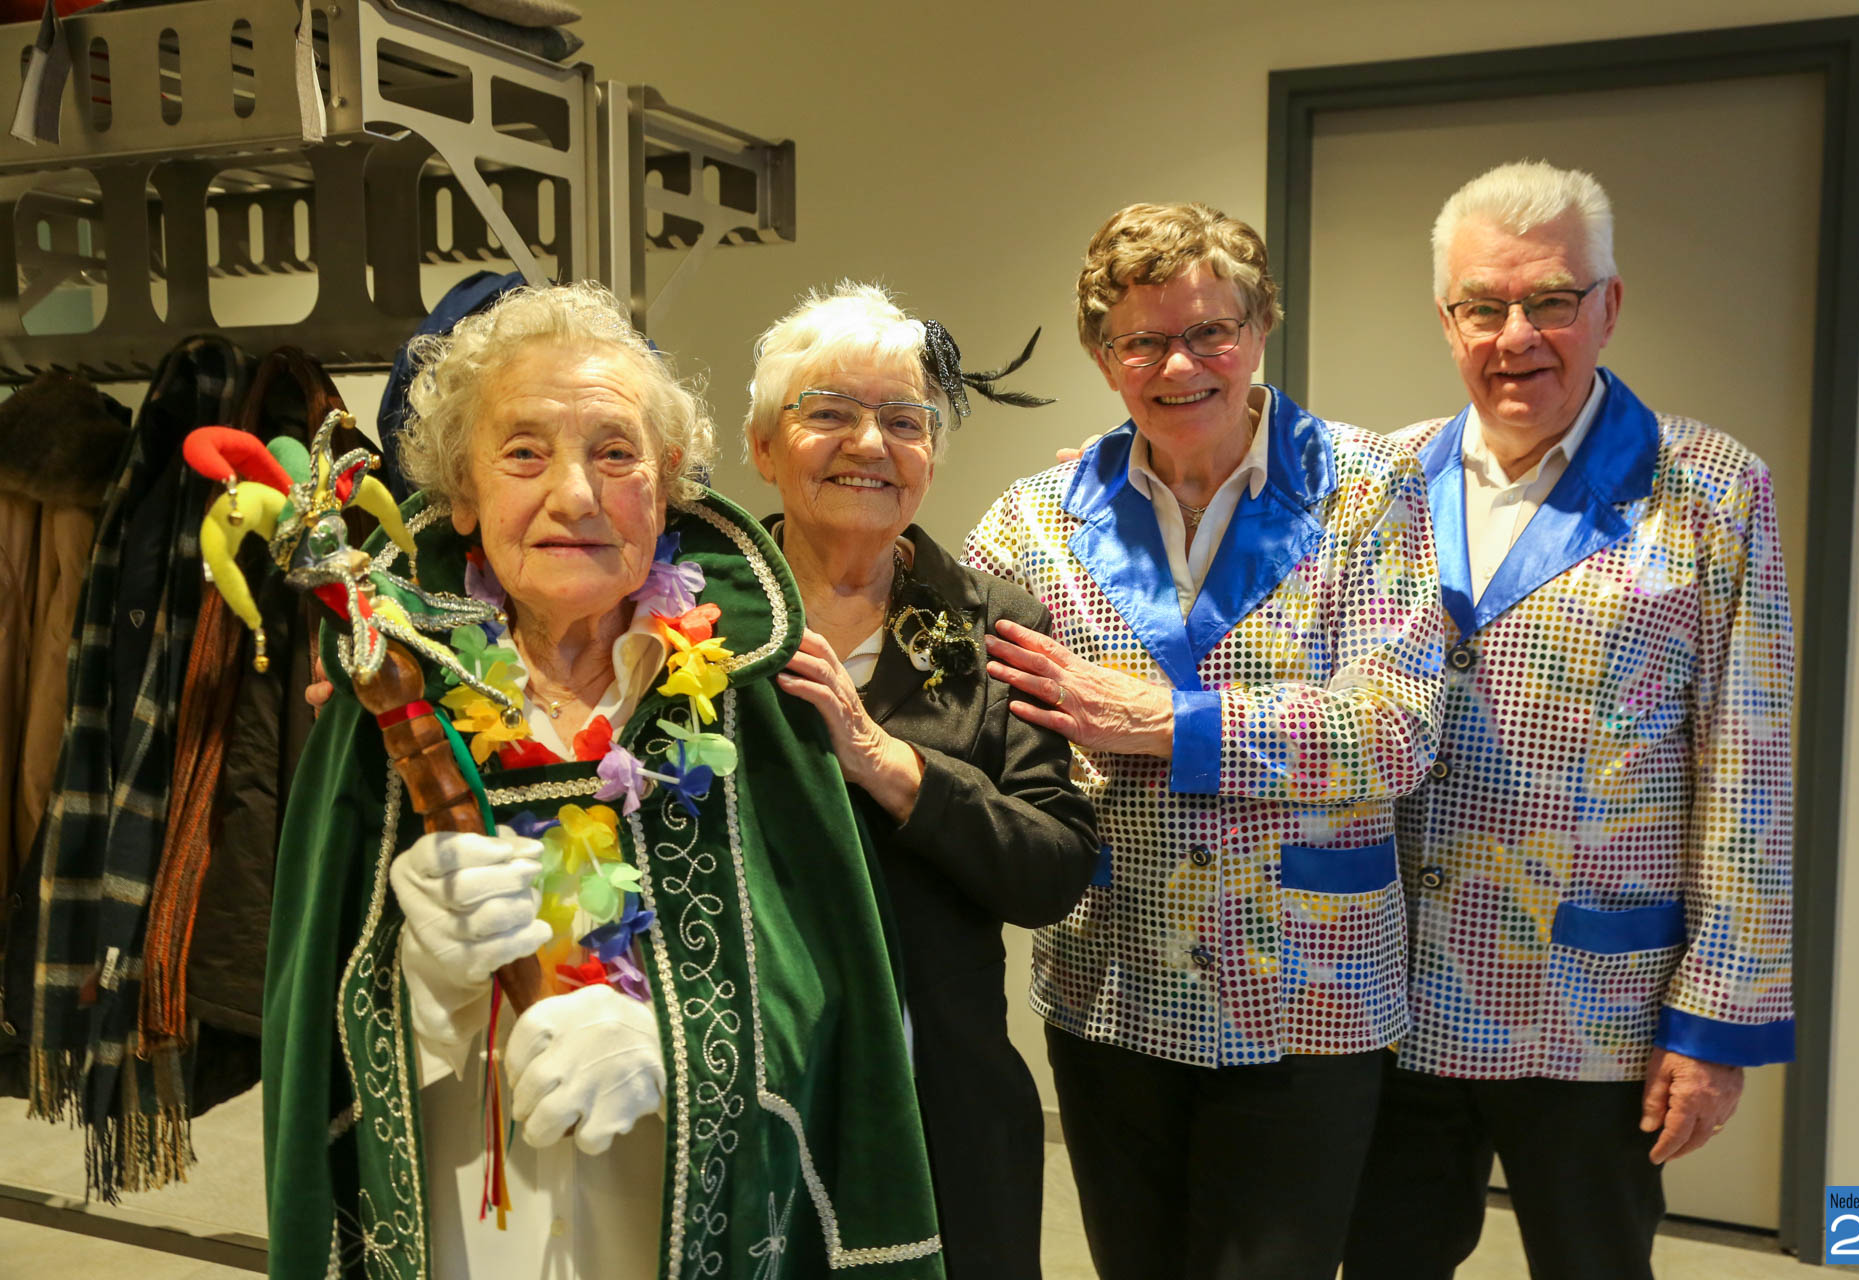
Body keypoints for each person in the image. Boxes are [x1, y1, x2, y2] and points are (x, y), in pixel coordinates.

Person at [261, 282, 946, 1280]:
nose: (576, 495)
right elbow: (309, 1017)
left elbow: (843, 1006)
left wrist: (675, 1048)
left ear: (667, 489)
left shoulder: (756, 704)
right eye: (523, 453)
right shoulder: (385, 705)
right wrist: (423, 984)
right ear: (463, 494)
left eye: (617, 453)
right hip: (465, 1224)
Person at [965, 202, 1446, 1280]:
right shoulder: (1031, 520)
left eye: (1209, 332)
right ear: (1103, 357)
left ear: (1261, 326)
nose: (1180, 365)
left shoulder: (1373, 489)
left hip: (1308, 991)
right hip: (1110, 982)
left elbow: (1398, 728)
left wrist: (1160, 723)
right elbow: (966, 711)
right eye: (1142, 341)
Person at [1341, 161, 1796, 1280]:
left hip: (1594, 1004)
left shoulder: (1710, 489)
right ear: (1446, 317)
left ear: (1608, 304)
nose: (1517, 337)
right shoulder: (1380, 479)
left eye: (1550, 299)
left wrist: (1715, 1022)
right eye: (1482, 306)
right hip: (1394, 988)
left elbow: (1750, 765)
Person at [743, 282, 1098, 1280]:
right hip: (745, 1088)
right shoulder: (693, 614)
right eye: (829, 412)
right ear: (764, 446)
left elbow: (1053, 867)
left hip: (944, 1104)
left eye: (905, 421)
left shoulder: (993, 624)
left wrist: (895, 767)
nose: (870, 443)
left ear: (931, 456)